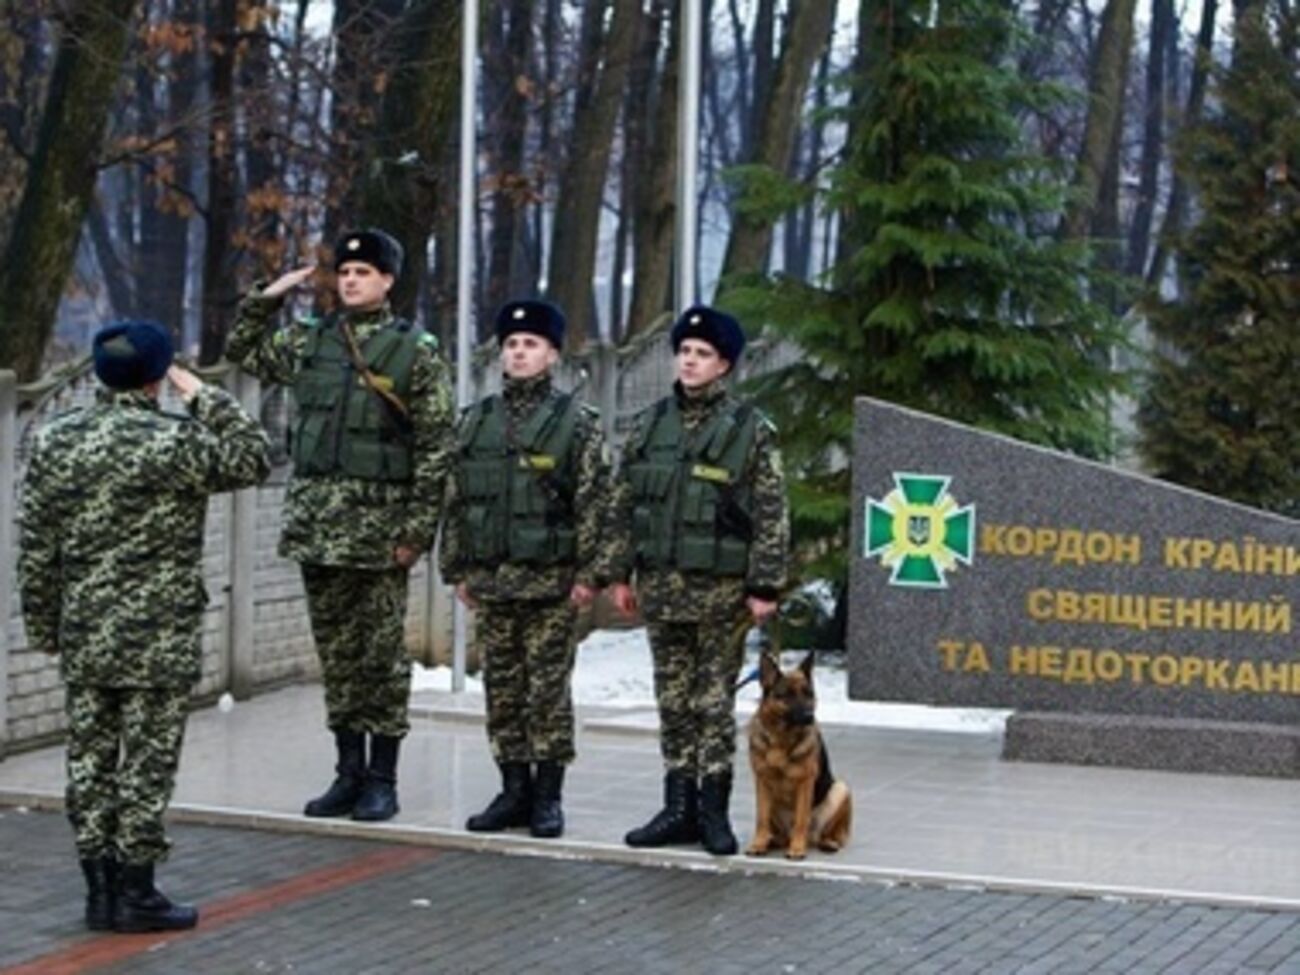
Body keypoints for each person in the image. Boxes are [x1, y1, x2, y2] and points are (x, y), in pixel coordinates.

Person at [18, 320, 271, 933]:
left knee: (90, 759)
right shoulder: (175, 442)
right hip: (158, 631)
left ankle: (98, 892)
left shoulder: (56, 440)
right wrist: (201, 393)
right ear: (159, 375)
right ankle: (137, 891)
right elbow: (254, 455)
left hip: (85, 626)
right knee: (148, 762)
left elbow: (35, 545)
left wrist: (44, 622)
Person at [225, 228, 455, 822]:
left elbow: (436, 447)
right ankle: (346, 772)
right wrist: (265, 299)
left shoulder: (415, 351)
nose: (351, 281)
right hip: (317, 528)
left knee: (380, 656)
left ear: (387, 281)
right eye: (345, 273)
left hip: (380, 533)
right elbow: (244, 352)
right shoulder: (312, 340)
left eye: (363, 273)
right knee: (338, 656)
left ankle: (383, 777)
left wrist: (415, 529)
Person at [607, 305, 789, 856]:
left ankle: (713, 812)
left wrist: (765, 586)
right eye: (684, 352)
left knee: (711, 703)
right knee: (672, 699)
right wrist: (619, 572)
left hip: (720, 593)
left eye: (702, 354)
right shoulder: (649, 425)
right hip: (661, 588)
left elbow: (772, 511)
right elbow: (623, 502)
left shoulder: (749, 432)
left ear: (724, 365)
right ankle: (676, 806)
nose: (689, 361)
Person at [440, 299, 615, 838]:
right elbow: (458, 500)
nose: (519, 353)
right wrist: (456, 570)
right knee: (503, 691)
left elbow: (596, 502)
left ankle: (548, 796)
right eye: (512, 345)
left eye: (530, 344)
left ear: (552, 355)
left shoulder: (575, 425)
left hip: (551, 583)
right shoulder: (476, 423)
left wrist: (590, 575)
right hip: (492, 582)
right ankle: (512, 789)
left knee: (547, 693)